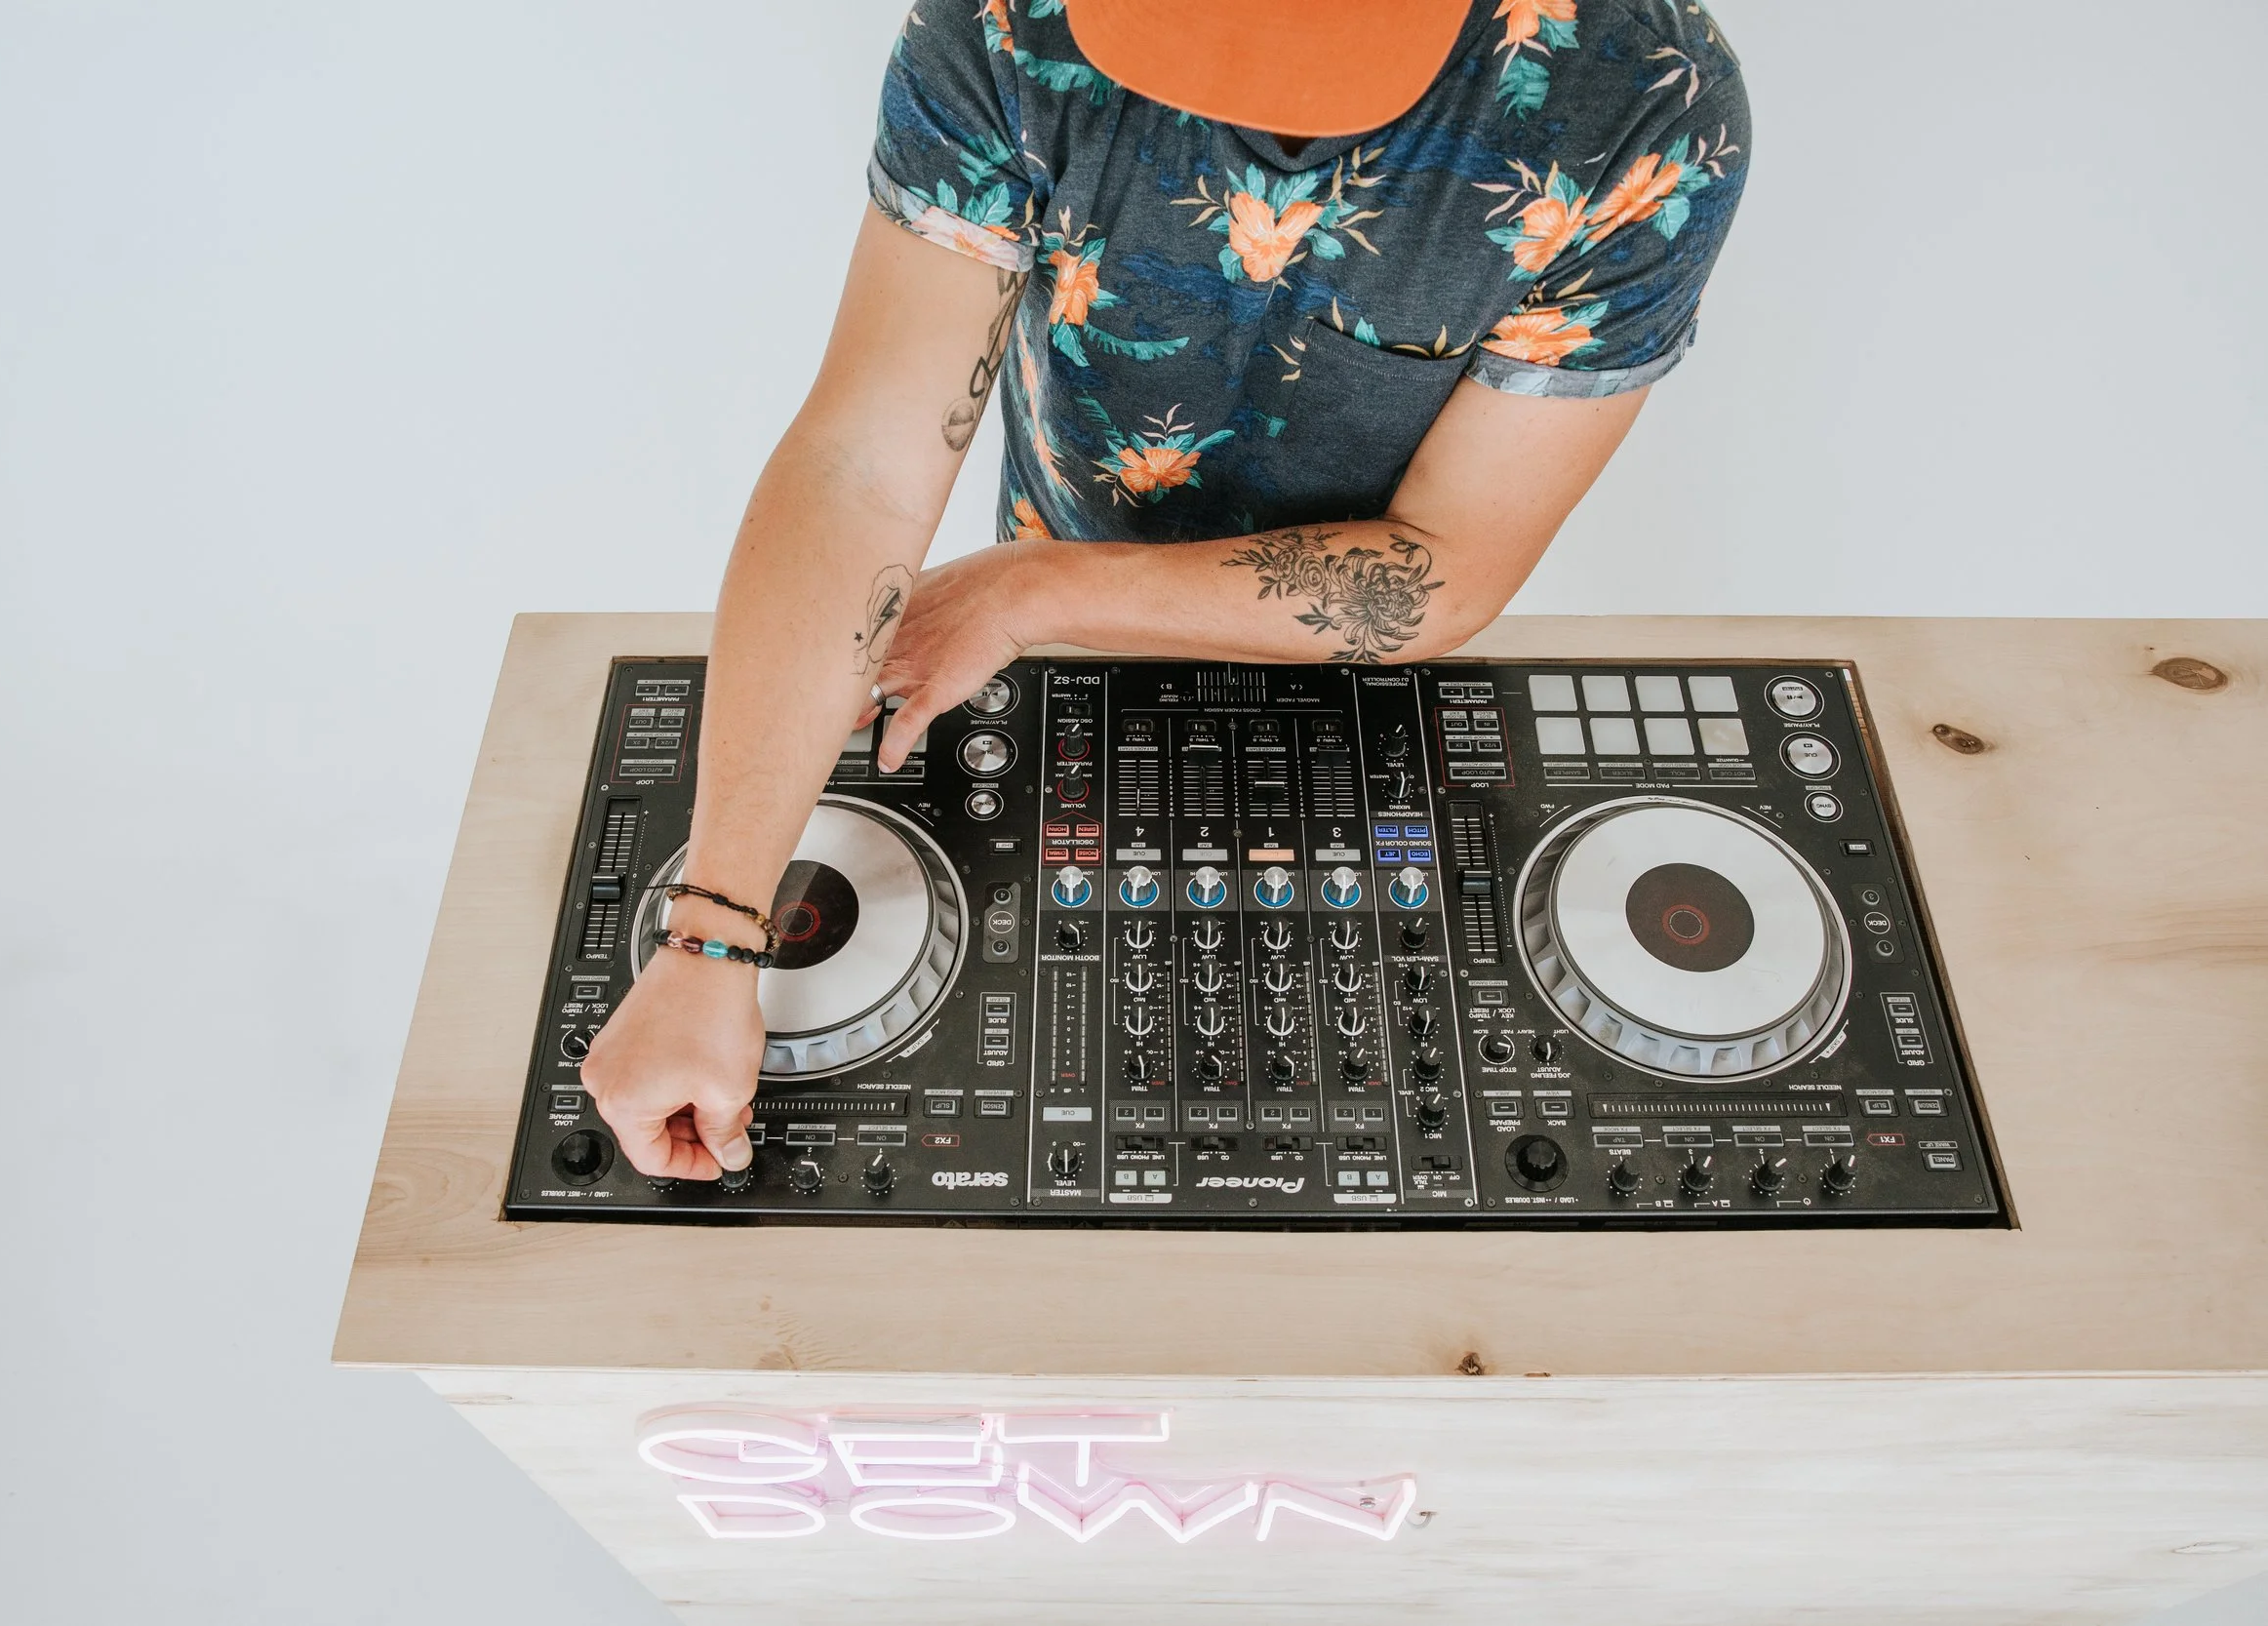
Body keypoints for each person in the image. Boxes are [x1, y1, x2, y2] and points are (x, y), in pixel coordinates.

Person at [582, 0, 1752, 1177]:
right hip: (1046, 653)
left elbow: (1441, 564)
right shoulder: (1002, 23)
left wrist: (1034, 591)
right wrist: (713, 933)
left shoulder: (1646, 99)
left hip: (1354, 685)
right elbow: (859, 466)